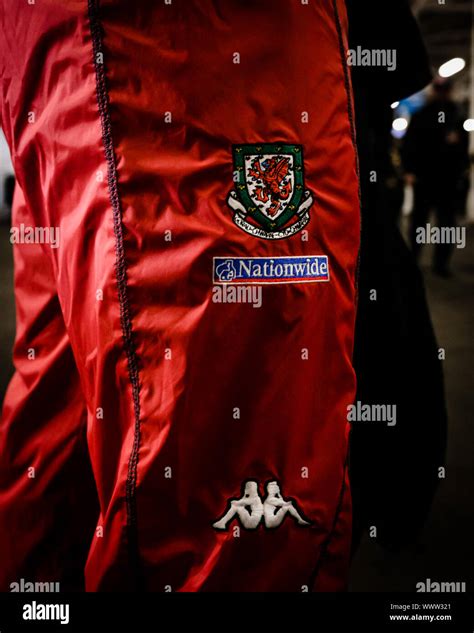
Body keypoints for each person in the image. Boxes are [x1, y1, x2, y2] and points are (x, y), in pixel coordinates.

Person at [402, 78, 469, 276]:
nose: (442, 94)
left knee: (446, 223)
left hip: (447, 179)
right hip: (425, 177)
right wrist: (409, 171)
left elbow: (463, 147)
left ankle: (441, 263)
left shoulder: (456, 115)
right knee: (419, 221)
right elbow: (409, 144)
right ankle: (414, 258)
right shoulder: (423, 114)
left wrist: (461, 171)